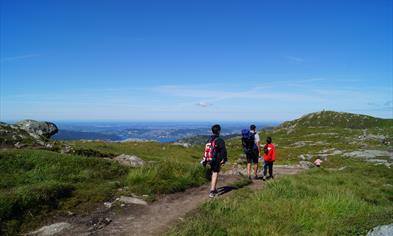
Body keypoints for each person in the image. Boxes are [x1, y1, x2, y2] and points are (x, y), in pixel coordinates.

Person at [206, 124, 227, 198]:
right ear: (219, 131)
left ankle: (214, 189)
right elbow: (223, 151)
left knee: (213, 173)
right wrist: (224, 159)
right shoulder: (220, 140)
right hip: (216, 159)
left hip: (209, 159)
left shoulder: (209, 139)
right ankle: (212, 191)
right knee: (215, 173)